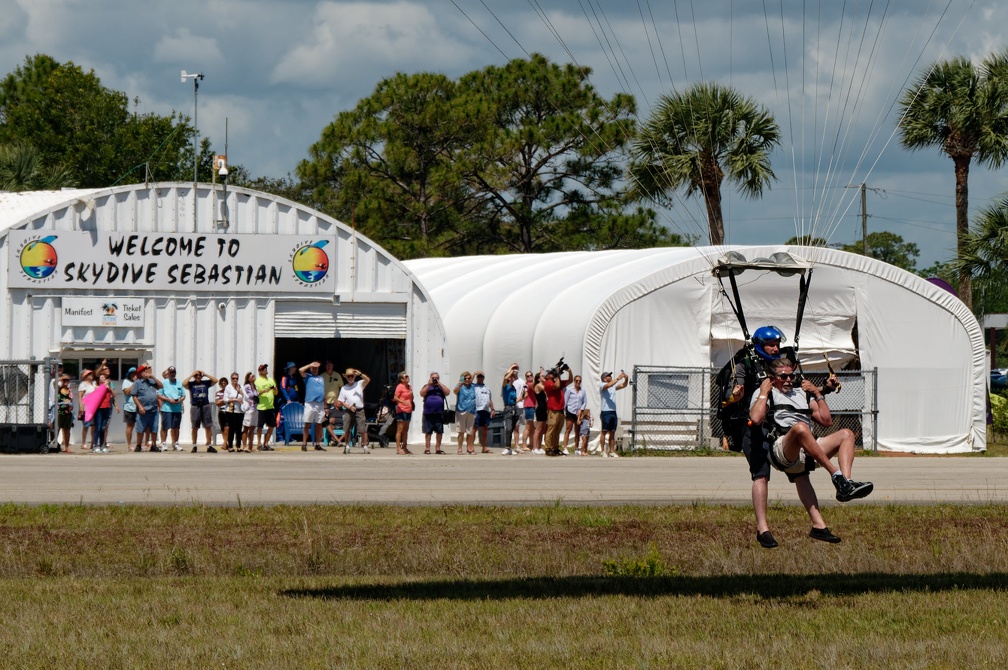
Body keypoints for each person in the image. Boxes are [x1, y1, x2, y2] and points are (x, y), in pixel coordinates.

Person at [726, 325, 838, 549]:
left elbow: (796, 393)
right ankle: (763, 529)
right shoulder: (745, 365)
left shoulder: (785, 363)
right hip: (755, 428)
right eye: (771, 344)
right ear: (760, 345)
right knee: (761, 475)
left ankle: (819, 525)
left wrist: (822, 390)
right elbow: (733, 394)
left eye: (777, 343)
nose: (776, 348)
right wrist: (736, 395)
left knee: (801, 473)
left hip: (781, 428)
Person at [748, 357, 874, 546]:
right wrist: (764, 392)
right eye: (784, 376)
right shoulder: (766, 392)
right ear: (773, 378)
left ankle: (845, 485)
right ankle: (836, 476)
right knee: (800, 428)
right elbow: (756, 418)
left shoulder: (802, 393)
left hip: (808, 447)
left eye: (792, 375)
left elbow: (826, 420)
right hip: (782, 448)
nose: (789, 379)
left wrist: (817, 393)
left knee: (846, 434)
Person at [129, 365, 163, 451]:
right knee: (140, 428)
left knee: (154, 428)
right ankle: (139, 445)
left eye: (146, 371)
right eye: (144, 371)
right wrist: (140, 406)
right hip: (143, 410)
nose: (146, 372)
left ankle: (154, 445)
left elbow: (161, 386)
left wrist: (153, 377)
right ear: (140, 373)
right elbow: (134, 395)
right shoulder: (137, 383)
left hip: (153, 409)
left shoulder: (151, 381)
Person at [183, 370, 218, 452]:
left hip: (205, 405)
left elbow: (215, 381)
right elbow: (184, 384)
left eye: (199, 375)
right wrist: (192, 375)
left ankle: (209, 445)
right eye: (196, 375)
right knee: (195, 427)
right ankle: (194, 445)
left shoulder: (205, 383)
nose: (198, 377)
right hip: (195, 406)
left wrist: (205, 374)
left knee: (208, 426)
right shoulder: (191, 384)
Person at [542, 365, 573, 456]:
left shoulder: (556, 381)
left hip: (560, 410)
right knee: (551, 430)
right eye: (550, 373)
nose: (552, 374)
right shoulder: (548, 383)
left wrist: (569, 372)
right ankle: (548, 448)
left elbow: (569, 381)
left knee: (557, 430)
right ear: (547, 376)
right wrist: (558, 375)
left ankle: (555, 447)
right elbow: (557, 385)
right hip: (553, 410)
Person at [337, 367, 370, 453]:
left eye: (352, 376)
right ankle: (347, 445)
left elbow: (367, 380)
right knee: (347, 428)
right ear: (346, 377)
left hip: (359, 409)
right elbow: (341, 401)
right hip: (349, 409)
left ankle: (365, 446)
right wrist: (349, 407)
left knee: (362, 428)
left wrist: (360, 374)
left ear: (354, 376)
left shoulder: (359, 384)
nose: (350, 378)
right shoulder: (344, 388)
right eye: (348, 376)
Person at [598, 370, 629, 457]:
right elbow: (608, 385)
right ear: (604, 378)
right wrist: (618, 378)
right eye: (608, 376)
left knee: (612, 432)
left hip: (613, 411)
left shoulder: (613, 386)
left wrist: (626, 379)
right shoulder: (602, 385)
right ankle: (602, 451)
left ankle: (611, 451)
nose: (610, 377)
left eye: (610, 375)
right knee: (604, 431)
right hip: (605, 411)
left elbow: (623, 385)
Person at [299, 361, 327, 451]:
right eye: (313, 369)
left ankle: (317, 444)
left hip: (320, 403)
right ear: (310, 369)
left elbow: (323, 391)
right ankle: (304, 443)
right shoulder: (307, 376)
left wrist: (325, 405)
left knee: (319, 424)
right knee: (307, 423)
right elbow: (300, 370)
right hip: (310, 403)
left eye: (316, 369)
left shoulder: (321, 378)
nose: (315, 370)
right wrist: (310, 365)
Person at [420, 372, 450, 454]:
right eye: (433, 378)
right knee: (428, 432)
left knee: (439, 432)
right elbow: (421, 393)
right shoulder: (427, 386)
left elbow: (447, 392)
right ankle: (427, 448)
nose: (434, 379)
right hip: (428, 412)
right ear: (430, 378)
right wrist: (429, 384)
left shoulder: (441, 387)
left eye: (436, 378)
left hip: (439, 413)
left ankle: (438, 448)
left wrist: (439, 383)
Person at [157, 366, 185, 451]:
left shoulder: (179, 382)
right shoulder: (164, 383)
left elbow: (183, 395)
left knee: (176, 427)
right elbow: (159, 394)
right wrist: (169, 400)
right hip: (167, 408)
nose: (172, 374)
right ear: (168, 374)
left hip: (177, 408)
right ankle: (164, 443)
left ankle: (175, 443)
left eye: (174, 372)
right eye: (171, 372)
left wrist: (179, 400)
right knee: (165, 426)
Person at [91, 371, 118, 453]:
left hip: (107, 408)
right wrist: (103, 386)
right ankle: (95, 445)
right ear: (99, 380)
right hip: (99, 408)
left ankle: (102, 445)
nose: (104, 379)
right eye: (102, 378)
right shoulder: (96, 387)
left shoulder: (108, 387)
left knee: (103, 428)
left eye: (105, 378)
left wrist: (109, 387)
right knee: (98, 428)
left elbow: (114, 395)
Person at [254, 363, 278, 451]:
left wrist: (275, 390)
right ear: (260, 371)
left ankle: (266, 443)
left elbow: (276, 393)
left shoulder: (271, 380)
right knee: (260, 426)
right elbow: (255, 394)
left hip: (270, 407)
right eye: (263, 369)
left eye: (266, 368)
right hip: (261, 407)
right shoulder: (257, 381)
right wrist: (264, 391)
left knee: (271, 426)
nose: (265, 370)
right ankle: (259, 442)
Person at [562, 374, 587, 455]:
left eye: (579, 381)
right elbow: (565, 401)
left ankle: (576, 448)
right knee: (568, 429)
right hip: (570, 411)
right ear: (574, 381)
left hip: (578, 413)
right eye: (577, 381)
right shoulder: (570, 390)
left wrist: (581, 409)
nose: (578, 382)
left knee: (577, 431)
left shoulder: (583, 391)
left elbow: (584, 402)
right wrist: (564, 411)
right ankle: (565, 447)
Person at [221, 372, 246, 452]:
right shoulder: (228, 387)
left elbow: (245, 397)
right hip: (231, 411)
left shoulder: (241, 387)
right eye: (233, 378)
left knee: (239, 429)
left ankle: (238, 445)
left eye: (236, 378)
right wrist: (235, 400)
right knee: (231, 429)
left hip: (240, 410)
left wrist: (240, 392)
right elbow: (225, 399)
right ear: (231, 379)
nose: (235, 380)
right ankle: (230, 446)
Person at [453, 371, 477, 455]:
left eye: (469, 378)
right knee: (461, 431)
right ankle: (459, 448)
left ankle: (469, 448)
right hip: (461, 410)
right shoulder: (460, 385)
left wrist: (474, 375)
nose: (467, 380)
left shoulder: (473, 386)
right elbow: (455, 392)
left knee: (470, 431)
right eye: (465, 378)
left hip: (471, 411)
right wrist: (459, 385)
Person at [472, 371, 495, 453]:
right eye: (479, 377)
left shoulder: (487, 387)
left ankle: (484, 447)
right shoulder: (473, 386)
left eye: (481, 377)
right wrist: (474, 374)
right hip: (477, 409)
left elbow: (489, 399)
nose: (480, 378)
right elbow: (468, 383)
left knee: (485, 429)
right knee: (474, 428)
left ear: (483, 378)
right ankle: (471, 447)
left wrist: (492, 409)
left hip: (485, 410)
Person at [500, 364, 520, 455]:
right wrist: (511, 369)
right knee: (508, 427)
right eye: (511, 376)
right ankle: (507, 447)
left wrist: (523, 396)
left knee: (513, 428)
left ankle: (510, 448)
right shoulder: (505, 386)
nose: (513, 377)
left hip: (515, 408)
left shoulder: (514, 388)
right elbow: (504, 379)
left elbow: (516, 400)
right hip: (508, 408)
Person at [393, 371, 414, 455]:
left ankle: (404, 447)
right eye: (405, 377)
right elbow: (395, 397)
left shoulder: (409, 387)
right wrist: (403, 402)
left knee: (406, 429)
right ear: (401, 379)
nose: (407, 378)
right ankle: (398, 448)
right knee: (400, 429)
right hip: (401, 409)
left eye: (407, 376)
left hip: (409, 409)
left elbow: (411, 398)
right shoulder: (400, 387)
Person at [121, 367, 141, 451]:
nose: (134, 375)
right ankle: (129, 445)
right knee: (130, 426)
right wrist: (135, 383)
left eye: (135, 373)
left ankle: (138, 444)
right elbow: (127, 392)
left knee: (140, 426)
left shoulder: (140, 382)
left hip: (139, 407)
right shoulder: (126, 382)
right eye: (132, 373)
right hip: (129, 407)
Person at [77, 368, 96, 450]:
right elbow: (80, 396)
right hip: (86, 408)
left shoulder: (93, 384)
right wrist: (81, 406)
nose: (91, 375)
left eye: (91, 374)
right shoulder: (83, 384)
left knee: (94, 426)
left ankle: (93, 443)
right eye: (89, 374)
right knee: (86, 426)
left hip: (94, 407)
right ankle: (83, 443)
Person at [518, 371, 537, 452]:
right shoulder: (527, 384)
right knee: (528, 427)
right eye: (527, 376)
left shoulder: (532, 384)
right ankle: (524, 444)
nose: (529, 377)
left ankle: (532, 444)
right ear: (526, 377)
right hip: (529, 407)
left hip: (533, 406)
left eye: (531, 375)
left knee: (532, 427)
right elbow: (525, 392)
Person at [55, 374, 74, 453]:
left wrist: (71, 407)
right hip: (60, 412)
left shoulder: (69, 391)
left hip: (68, 412)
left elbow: (71, 401)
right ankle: (55, 444)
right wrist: (63, 378)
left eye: (67, 380)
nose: (66, 382)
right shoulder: (59, 389)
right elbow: (54, 382)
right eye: (64, 381)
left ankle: (66, 446)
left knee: (67, 430)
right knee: (58, 428)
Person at [241, 372, 258, 452]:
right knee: (246, 427)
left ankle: (250, 445)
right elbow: (247, 396)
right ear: (249, 378)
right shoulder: (247, 386)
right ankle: (244, 446)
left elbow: (256, 394)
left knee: (252, 427)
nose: (254, 377)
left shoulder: (254, 386)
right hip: (249, 409)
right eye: (252, 376)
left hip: (255, 408)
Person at [531, 372, 547, 454]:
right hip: (540, 409)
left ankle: (539, 446)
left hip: (544, 409)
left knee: (542, 429)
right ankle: (534, 448)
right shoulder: (538, 386)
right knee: (538, 429)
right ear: (538, 379)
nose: (544, 377)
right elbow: (546, 388)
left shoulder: (542, 386)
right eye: (542, 376)